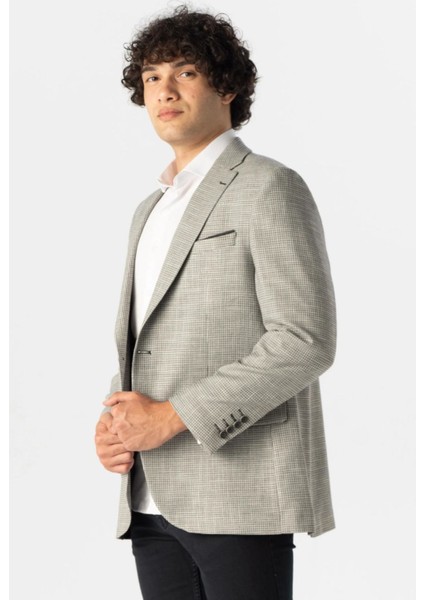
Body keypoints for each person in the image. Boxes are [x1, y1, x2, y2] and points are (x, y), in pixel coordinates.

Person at [95, 5, 336, 599]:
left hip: (239, 491)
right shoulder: (149, 210)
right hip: (149, 499)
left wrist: (170, 418)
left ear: (226, 86)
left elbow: (304, 341)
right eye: (152, 76)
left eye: (185, 72)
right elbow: (152, 338)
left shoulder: (269, 186)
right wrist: (116, 421)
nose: (165, 90)